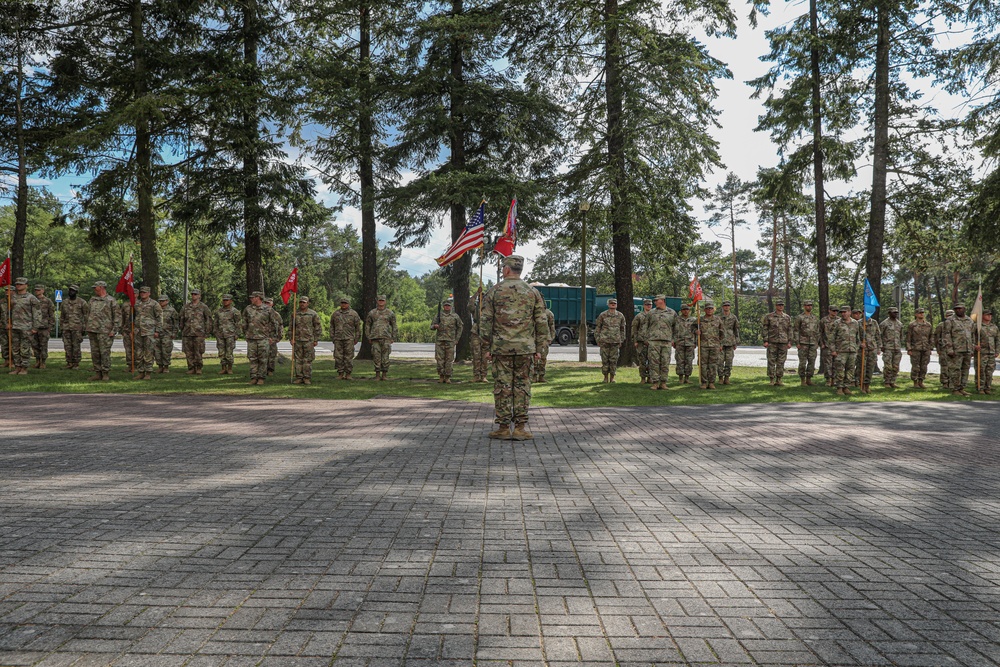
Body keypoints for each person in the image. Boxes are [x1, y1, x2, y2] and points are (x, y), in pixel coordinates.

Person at [480, 254, 547, 440]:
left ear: (507, 269)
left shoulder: (494, 291)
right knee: (522, 386)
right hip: (526, 348)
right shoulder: (532, 292)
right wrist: (540, 349)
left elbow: (485, 321)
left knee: (502, 387)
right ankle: (520, 428)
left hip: (501, 349)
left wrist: (486, 346)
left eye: (503, 268)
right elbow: (541, 321)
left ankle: (502, 428)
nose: (503, 270)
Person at [85, 280, 121, 381]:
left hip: (105, 331)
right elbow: (87, 314)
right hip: (92, 330)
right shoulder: (92, 300)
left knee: (104, 353)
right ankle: (97, 373)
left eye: (95, 287)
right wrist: (87, 326)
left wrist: (114, 330)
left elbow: (117, 317)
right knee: (95, 353)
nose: (94, 289)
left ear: (101, 287)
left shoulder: (111, 300)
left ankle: (105, 373)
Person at [6, 278, 39, 375]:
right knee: (15, 349)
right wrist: (9, 322)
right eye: (17, 284)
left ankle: (24, 368)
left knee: (24, 348)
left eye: (21, 284)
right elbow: (10, 312)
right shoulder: (13, 297)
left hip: (26, 327)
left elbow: (37, 313)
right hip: (15, 326)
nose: (18, 285)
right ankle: (17, 367)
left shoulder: (31, 298)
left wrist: (35, 327)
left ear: (26, 285)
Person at [242, 291, 276, 385]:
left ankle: (261, 378)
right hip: (251, 338)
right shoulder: (248, 309)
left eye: (253, 297)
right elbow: (244, 323)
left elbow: (274, 324)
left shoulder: (268, 309)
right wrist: (246, 334)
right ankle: (253, 377)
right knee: (252, 358)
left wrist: (272, 337)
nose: (251, 299)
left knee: (263, 359)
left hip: (263, 338)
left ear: (258, 298)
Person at [645, 295, 676, 390]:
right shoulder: (651, 313)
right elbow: (646, 326)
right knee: (654, 363)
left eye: (656, 300)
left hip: (666, 341)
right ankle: (655, 383)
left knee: (665, 362)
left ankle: (663, 383)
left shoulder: (672, 313)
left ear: (662, 300)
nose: (654, 302)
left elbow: (676, 327)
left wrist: (674, 339)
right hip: (653, 341)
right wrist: (646, 339)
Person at [180, 288, 213, 375]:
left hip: (199, 333)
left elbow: (208, 320)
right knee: (189, 352)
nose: (193, 296)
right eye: (192, 294)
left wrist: (207, 331)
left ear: (199, 296)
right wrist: (182, 329)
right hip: (187, 332)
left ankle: (198, 368)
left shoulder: (203, 307)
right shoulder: (186, 307)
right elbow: (181, 319)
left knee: (198, 351)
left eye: (195, 294)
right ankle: (191, 367)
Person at [943, 303, 974, 397]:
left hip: (967, 349)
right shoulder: (950, 320)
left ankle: (962, 388)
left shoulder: (969, 320)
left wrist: (972, 348)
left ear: (964, 309)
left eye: (960, 308)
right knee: (955, 370)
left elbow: (972, 335)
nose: (958, 310)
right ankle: (955, 389)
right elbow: (946, 335)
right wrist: (949, 349)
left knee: (965, 369)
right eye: (956, 309)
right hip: (956, 350)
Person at [132, 286, 163, 380]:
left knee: (149, 352)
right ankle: (141, 372)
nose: (142, 294)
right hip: (138, 331)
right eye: (141, 292)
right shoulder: (136, 304)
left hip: (149, 331)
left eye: (145, 292)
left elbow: (160, 317)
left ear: (149, 293)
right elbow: (133, 317)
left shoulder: (154, 304)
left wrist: (158, 330)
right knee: (138, 353)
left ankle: (148, 372)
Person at [291, 296, 323, 385]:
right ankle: (299, 377)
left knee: (307, 360)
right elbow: (291, 327)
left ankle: (307, 378)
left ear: (308, 303)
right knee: (298, 360)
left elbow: (317, 327)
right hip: (297, 340)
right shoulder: (294, 313)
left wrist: (316, 339)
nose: (302, 304)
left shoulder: (313, 314)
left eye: (304, 302)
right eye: (301, 302)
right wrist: (291, 338)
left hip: (309, 340)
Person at [365, 294, 398, 381]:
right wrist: (368, 336)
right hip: (375, 338)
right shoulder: (372, 313)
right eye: (379, 300)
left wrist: (393, 337)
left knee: (385, 357)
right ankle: (377, 375)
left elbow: (394, 325)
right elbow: (367, 325)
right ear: (377, 301)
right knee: (376, 357)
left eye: (382, 300)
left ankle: (384, 375)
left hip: (386, 338)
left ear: (385, 301)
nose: (381, 302)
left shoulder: (390, 313)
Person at [431, 298, 463, 383]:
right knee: (439, 359)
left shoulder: (455, 316)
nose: (447, 307)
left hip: (450, 340)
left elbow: (460, 327)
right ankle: (441, 376)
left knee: (449, 359)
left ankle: (448, 376)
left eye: (448, 306)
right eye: (445, 306)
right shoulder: (438, 315)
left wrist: (457, 339)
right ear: (443, 306)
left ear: (451, 307)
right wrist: (435, 326)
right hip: (440, 340)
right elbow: (432, 326)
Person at [830, 305, 860, 396]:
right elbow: (831, 338)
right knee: (840, 370)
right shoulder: (837, 323)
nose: (843, 314)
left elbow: (858, 337)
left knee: (850, 370)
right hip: (841, 351)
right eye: (842, 312)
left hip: (852, 351)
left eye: (845, 312)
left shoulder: (855, 323)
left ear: (849, 312)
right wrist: (833, 350)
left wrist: (856, 348)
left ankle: (846, 387)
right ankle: (839, 388)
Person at [594, 298, 626, 383]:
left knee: (613, 360)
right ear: (608, 305)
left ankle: (612, 378)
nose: (613, 304)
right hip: (604, 341)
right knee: (605, 360)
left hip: (615, 342)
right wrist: (598, 339)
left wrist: (621, 340)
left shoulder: (620, 315)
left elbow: (622, 329)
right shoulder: (603, 315)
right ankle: (605, 377)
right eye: (611, 303)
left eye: (614, 303)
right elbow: (597, 328)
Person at [330, 296, 362, 380]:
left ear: (348, 304)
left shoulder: (353, 314)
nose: (343, 305)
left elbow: (358, 327)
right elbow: (332, 326)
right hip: (338, 338)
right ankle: (340, 373)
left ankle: (348, 374)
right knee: (338, 356)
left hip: (349, 339)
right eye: (342, 303)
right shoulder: (336, 314)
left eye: (345, 303)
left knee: (349, 356)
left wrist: (356, 338)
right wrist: (332, 337)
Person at [762, 299, 791, 385]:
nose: (780, 306)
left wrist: (789, 341)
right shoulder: (769, 316)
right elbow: (765, 329)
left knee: (781, 361)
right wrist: (765, 340)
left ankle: (779, 379)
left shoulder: (787, 317)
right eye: (779, 305)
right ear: (776, 306)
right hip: (772, 341)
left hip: (783, 342)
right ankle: (771, 379)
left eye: (782, 305)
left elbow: (789, 330)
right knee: (771, 360)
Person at [60, 284, 89, 370]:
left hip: (77, 328)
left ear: (76, 292)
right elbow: (62, 316)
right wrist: (62, 326)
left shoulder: (82, 302)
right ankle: (69, 362)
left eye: (73, 291)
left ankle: (76, 363)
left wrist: (84, 328)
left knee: (76, 346)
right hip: (66, 328)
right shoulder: (64, 302)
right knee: (67, 346)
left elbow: (86, 316)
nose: (71, 292)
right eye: (70, 290)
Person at [792, 300, 820, 386]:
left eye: (811, 305)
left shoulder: (815, 318)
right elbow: (796, 330)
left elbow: (818, 331)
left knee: (812, 362)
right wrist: (797, 342)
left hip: (813, 343)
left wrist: (817, 342)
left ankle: (809, 379)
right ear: (804, 306)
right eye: (807, 305)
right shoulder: (800, 317)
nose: (809, 307)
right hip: (803, 343)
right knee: (803, 362)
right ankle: (802, 380)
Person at [213, 294, 243, 375]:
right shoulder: (218, 311)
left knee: (229, 352)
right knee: (221, 352)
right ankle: (223, 368)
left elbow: (238, 324)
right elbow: (215, 323)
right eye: (224, 300)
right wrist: (215, 332)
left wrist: (237, 334)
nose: (225, 301)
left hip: (230, 334)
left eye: (227, 300)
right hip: (220, 334)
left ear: (231, 301)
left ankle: (230, 368)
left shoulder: (235, 312)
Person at [698, 301, 724, 389]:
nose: (709, 310)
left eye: (711, 308)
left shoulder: (717, 319)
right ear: (704, 310)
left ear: (714, 310)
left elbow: (722, 332)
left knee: (713, 364)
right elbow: (692, 328)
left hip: (715, 345)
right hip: (703, 345)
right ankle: (704, 383)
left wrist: (720, 344)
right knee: (703, 364)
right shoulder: (699, 319)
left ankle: (711, 382)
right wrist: (695, 331)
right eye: (708, 308)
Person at [905, 307, 933, 389]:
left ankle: (921, 381)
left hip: (925, 348)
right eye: (920, 313)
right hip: (915, 348)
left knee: (924, 366)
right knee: (915, 366)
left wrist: (930, 347)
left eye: (923, 313)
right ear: (916, 314)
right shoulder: (912, 325)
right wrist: (909, 348)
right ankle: (915, 382)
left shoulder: (928, 325)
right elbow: (908, 338)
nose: (922, 314)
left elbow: (931, 336)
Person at [856, 308, 881, 394]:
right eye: (865, 311)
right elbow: (855, 336)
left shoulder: (874, 322)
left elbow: (878, 335)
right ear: (862, 312)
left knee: (870, 368)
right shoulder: (858, 323)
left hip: (872, 348)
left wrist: (878, 348)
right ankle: (861, 386)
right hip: (862, 349)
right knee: (862, 367)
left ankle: (867, 385)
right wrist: (860, 344)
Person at [31, 284, 55, 369]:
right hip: (34, 327)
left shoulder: (47, 301)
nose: (37, 291)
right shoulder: (32, 300)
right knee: (35, 345)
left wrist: (50, 327)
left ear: (42, 291)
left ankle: (43, 362)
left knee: (43, 345)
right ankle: (37, 361)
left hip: (44, 326)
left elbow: (51, 314)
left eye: (38, 290)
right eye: (36, 290)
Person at [880, 306, 904, 388]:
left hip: (897, 348)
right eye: (894, 312)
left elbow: (901, 336)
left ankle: (893, 381)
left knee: (896, 366)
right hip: (888, 348)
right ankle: (887, 382)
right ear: (889, 313)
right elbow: (880, 335)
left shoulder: (899, 324)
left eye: (896, 312)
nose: (896, 314)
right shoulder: (884, 323)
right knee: (888, 366)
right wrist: (881, 346)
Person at [975, 310, 998, 395]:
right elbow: (971, 337)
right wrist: (974, 346)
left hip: (991, 352)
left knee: (990, 371)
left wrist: (997, 351)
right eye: (987, 315)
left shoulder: (994, 327)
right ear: (982, 316)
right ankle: (980, 388)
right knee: (981, 370)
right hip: (981, 352)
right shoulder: (977, 326)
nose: (989, 316)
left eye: (990, 315)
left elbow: (997, 340)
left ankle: (987, 388)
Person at [468, 288, 488, 383]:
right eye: (480, 297)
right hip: (476, 332)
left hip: (485, 333)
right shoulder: (475, 308)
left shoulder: (488, 308)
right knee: (476, 355)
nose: (482, 298)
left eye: (483, 297)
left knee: (484, 356)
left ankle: (483, 376)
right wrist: (476, 293)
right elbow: (469, 305)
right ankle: (476, 375)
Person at [155, 295, 179, 373]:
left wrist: (174, 333)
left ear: (167, 301)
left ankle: (166, 367)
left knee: (166, 351)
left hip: (167, 334)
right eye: (160, 301)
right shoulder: (156, 310)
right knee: (157, 351)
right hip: (157, 333)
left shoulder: (171, 310)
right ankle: (160, 366)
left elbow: (176, 323)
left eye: (163, 301)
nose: (161, 302)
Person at [673, 304, 696, 384]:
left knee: (689, 361)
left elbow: (696, 331)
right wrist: (673, 340)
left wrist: (695, 342)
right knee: (680, 361)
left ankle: (687, 377)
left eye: (687, 309)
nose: (686, 311)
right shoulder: (677, 319)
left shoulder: (693, 320)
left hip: (690, 343)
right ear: (681, 311)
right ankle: (680, 378)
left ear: (689, 311)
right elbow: (673, 330)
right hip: (679, 342)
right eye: (684, 309)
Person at [719, 300, 739, 385]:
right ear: (722, 307)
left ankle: (727, 378)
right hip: (720, 342)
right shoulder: (718, 317)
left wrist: (736, 342)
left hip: (730, 342)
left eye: (728, 305)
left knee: (729, 361)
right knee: (719, 361)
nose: (726, 307)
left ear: (730, 307)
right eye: (725, 306)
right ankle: (720, 378)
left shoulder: (733, 317)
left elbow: (736, 330)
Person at [632, 299, 652, 384]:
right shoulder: (639, 316)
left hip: (652, 342)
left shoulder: (654, 316)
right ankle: (643, 378)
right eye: (647, 304)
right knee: (642, 361)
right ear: (644, 305)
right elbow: (634, 329)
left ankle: (650, 378)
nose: (648, 306)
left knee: (652, 361)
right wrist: (635, 340)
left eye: (650, 305)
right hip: (641, 342)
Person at [262, 297, 284, 376]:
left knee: (272, 354)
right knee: (262, 354)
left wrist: (279, 337)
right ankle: (262, 370)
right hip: (262, 337)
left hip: (272, 338)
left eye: (268, 303)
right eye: (265, 303)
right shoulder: (260, 313)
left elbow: (280, 326)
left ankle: (270, 370)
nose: (267, 305)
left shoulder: (276, 315)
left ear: (272, 304)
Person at [935, 309, 955, 391]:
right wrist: (938, 349)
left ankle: (952, 382)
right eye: (949, 315)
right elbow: (936, 337)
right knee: (944, 366)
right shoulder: (941, 325)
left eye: (952, 315)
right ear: (946, 316)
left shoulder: (956, 324)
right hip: (944, 349)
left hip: (954, 349)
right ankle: (945, 383)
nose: (951, 317)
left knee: (954, 367)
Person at [819, 304, 839, 386]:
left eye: (836, 311)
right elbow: (819, 332)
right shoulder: (824, 320)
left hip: (837, 346)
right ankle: (828, 380)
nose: (835, 312)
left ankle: (834, 380)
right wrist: (821, 343)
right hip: (827, 345)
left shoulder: (840, 320)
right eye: (833, 310)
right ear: (829, 311)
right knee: (827, 364)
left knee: (836, 364)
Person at [535, 306, 556, 383]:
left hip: (544, 338)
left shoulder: (548, 313)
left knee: (543, 357)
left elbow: (552, 326)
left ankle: (541, 376)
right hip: (533, 337)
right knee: (533, 357)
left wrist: (550, 337)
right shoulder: (531, 312)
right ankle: (534, 376)